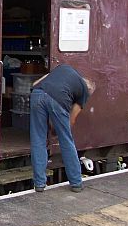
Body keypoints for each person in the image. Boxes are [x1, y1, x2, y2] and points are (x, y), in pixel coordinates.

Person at [29, 64, 90, 193]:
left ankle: (39, 184)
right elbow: (71, 119)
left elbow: (36, 83)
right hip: (57, 98)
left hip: (37, 93)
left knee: (38, 139)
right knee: (66, 141)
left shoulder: (64, 68)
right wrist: (57, 131)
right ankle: (76, 183)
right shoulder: (85, 91)